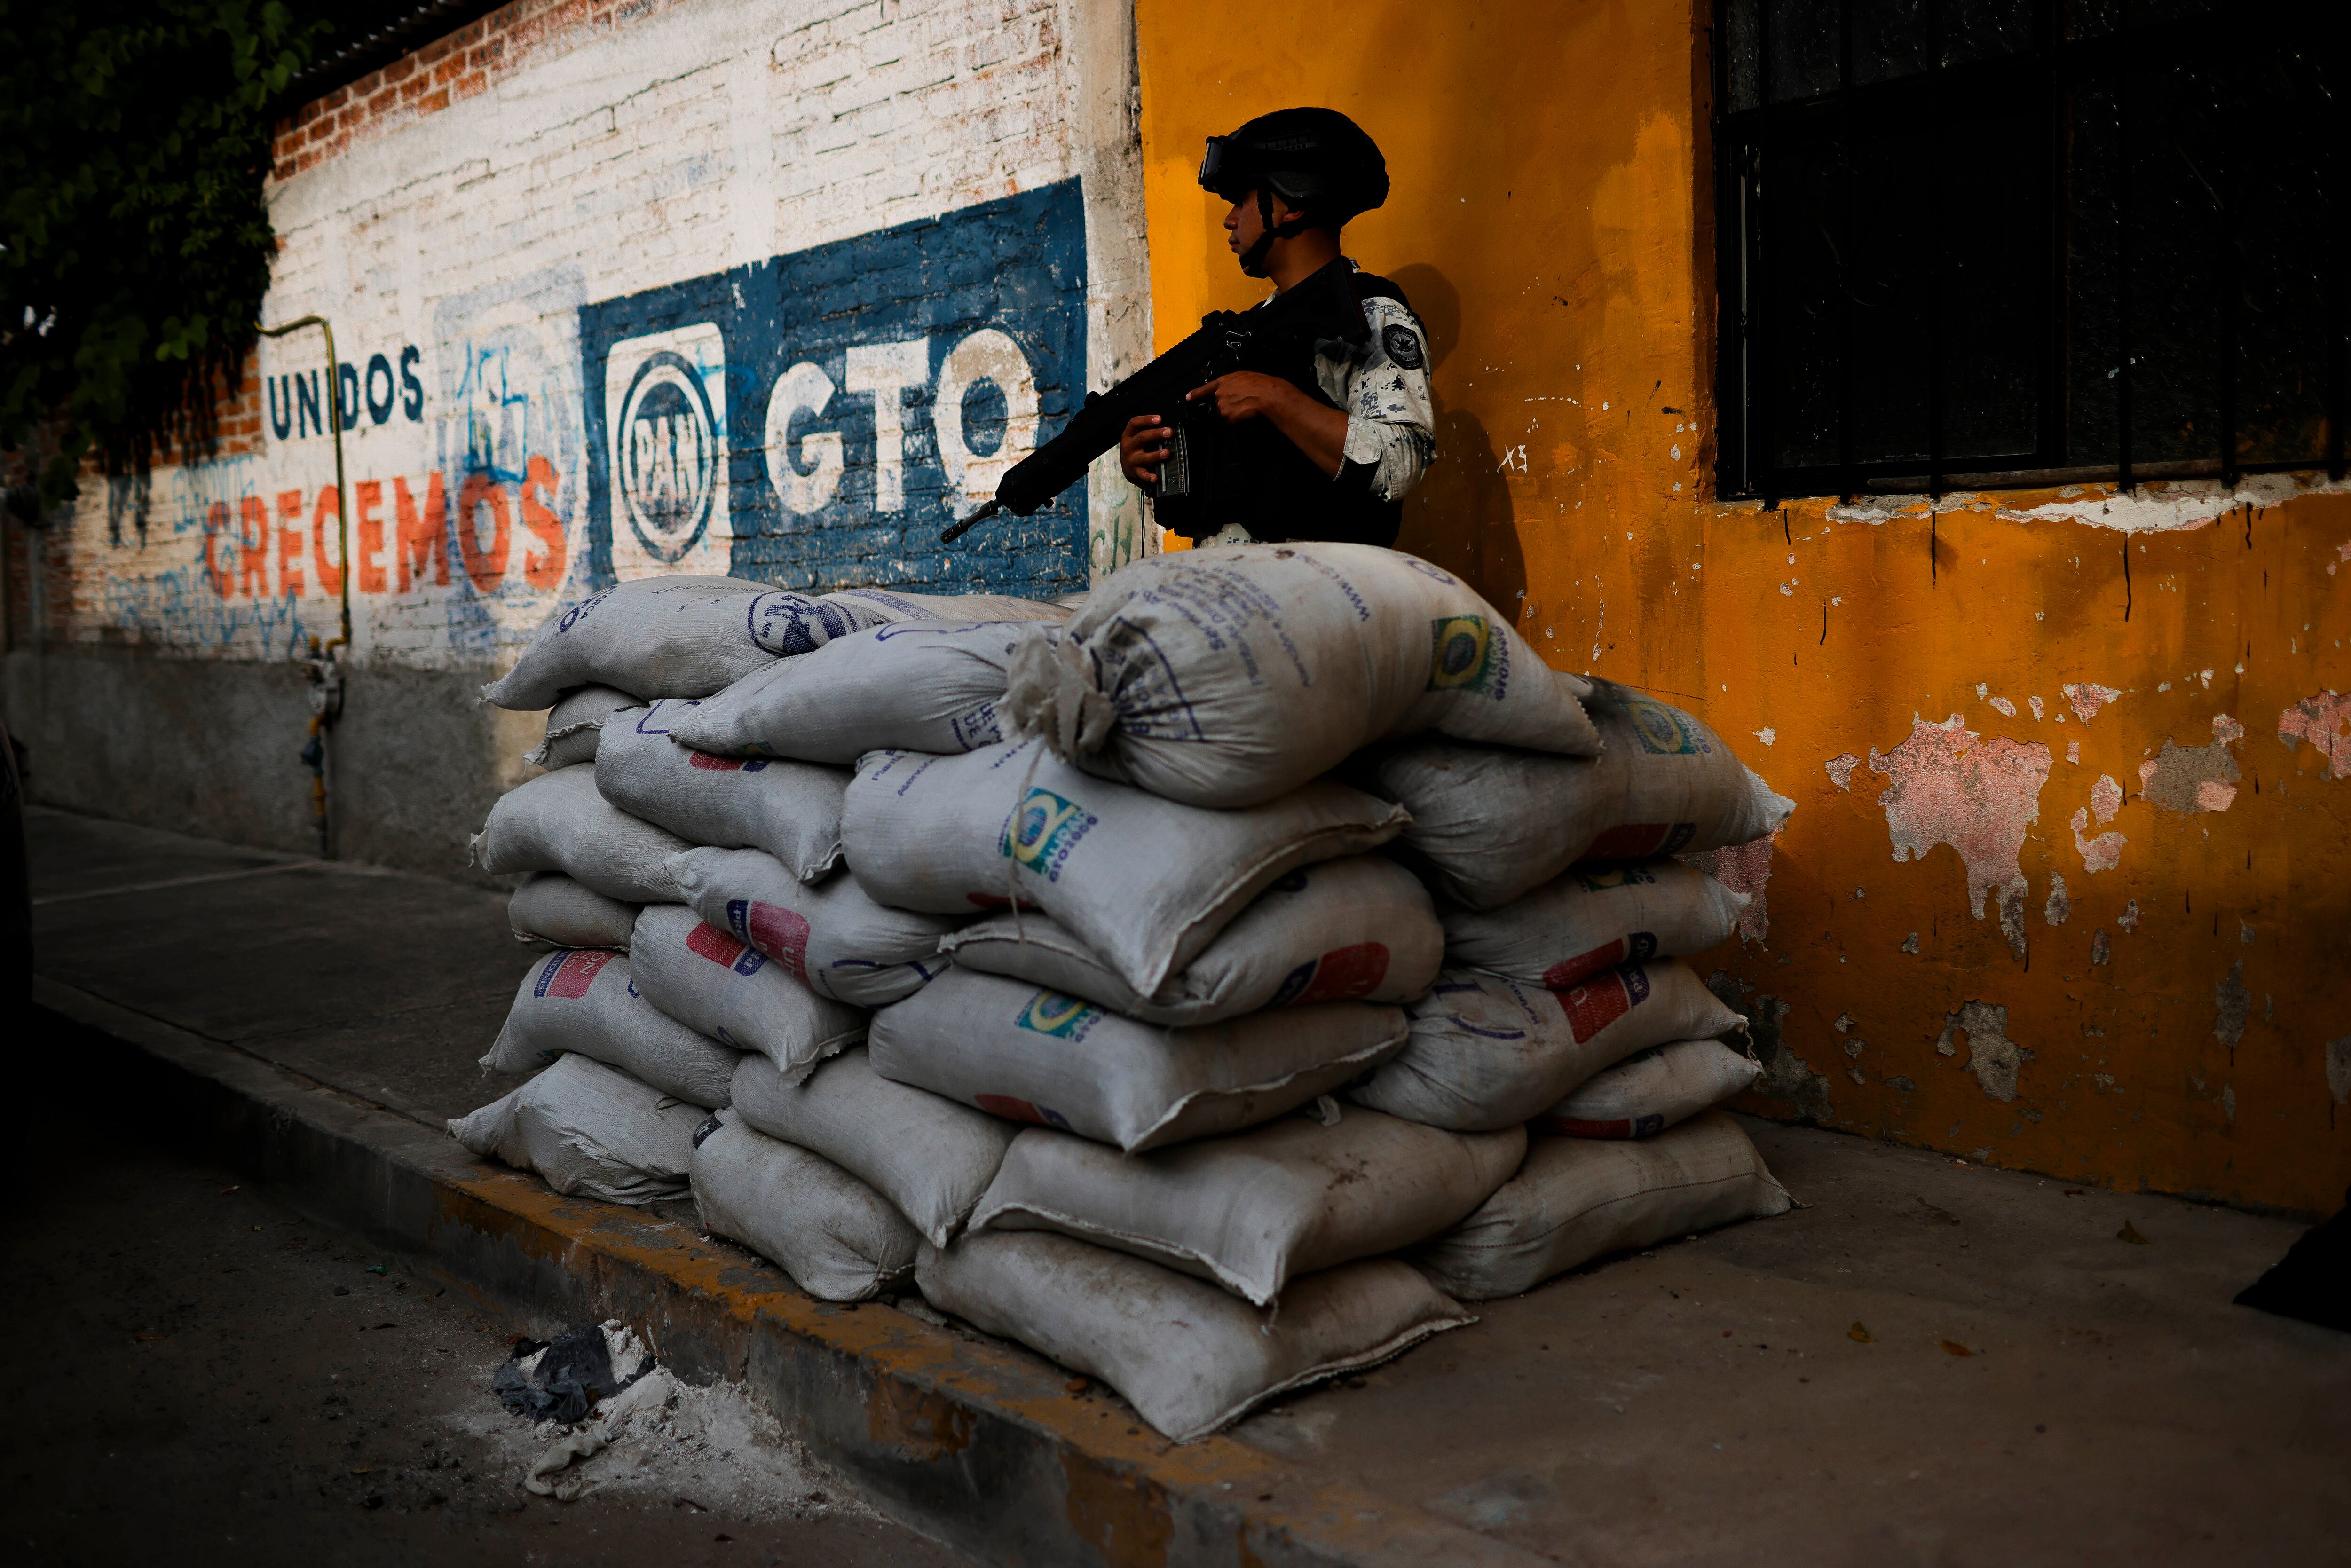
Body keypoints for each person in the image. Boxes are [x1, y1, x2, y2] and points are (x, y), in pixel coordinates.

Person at [1119, 107, 1435, 547]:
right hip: (1230, 597)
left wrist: (1274, 398)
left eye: (1242, 200)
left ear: (1294, 204)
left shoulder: (1372, 315)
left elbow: (1402, 459)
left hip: (1316, 601)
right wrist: (1149, 456)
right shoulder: (1250, 337)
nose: (1230, 220)